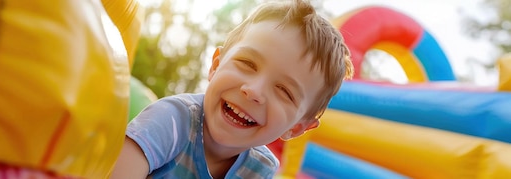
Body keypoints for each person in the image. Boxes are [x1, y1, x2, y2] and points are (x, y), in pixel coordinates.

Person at [111, 0, 353, 178]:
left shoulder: (260, 168)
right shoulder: (173, 120)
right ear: (216, 65)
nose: (254, 90)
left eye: (284, 91)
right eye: (247, 63)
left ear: (297, 127)